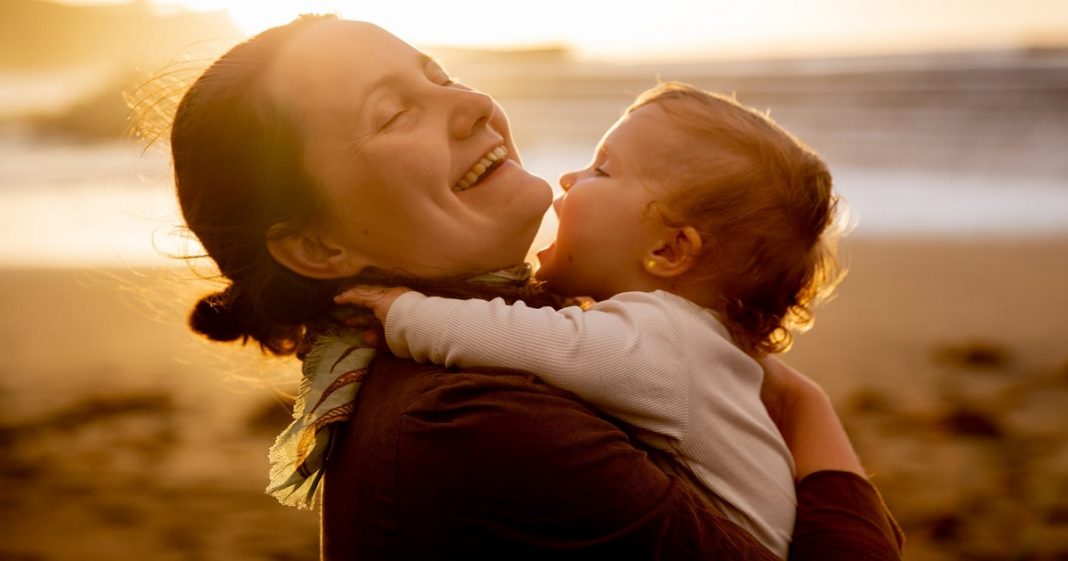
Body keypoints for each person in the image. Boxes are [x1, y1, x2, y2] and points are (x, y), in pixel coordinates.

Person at [169, 14, 903, 560]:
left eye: (440, 75)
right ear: (316, 244)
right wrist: (807, 410)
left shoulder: (514, 344)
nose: (472, 105)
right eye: (395, 113)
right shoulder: (471, 422)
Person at [334, 81, 841, 557]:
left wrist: (405, 314)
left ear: (668, 249)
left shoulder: (665, 337)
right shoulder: (695, 347)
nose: (567, 179)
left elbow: (533, 339)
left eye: (601, 170)